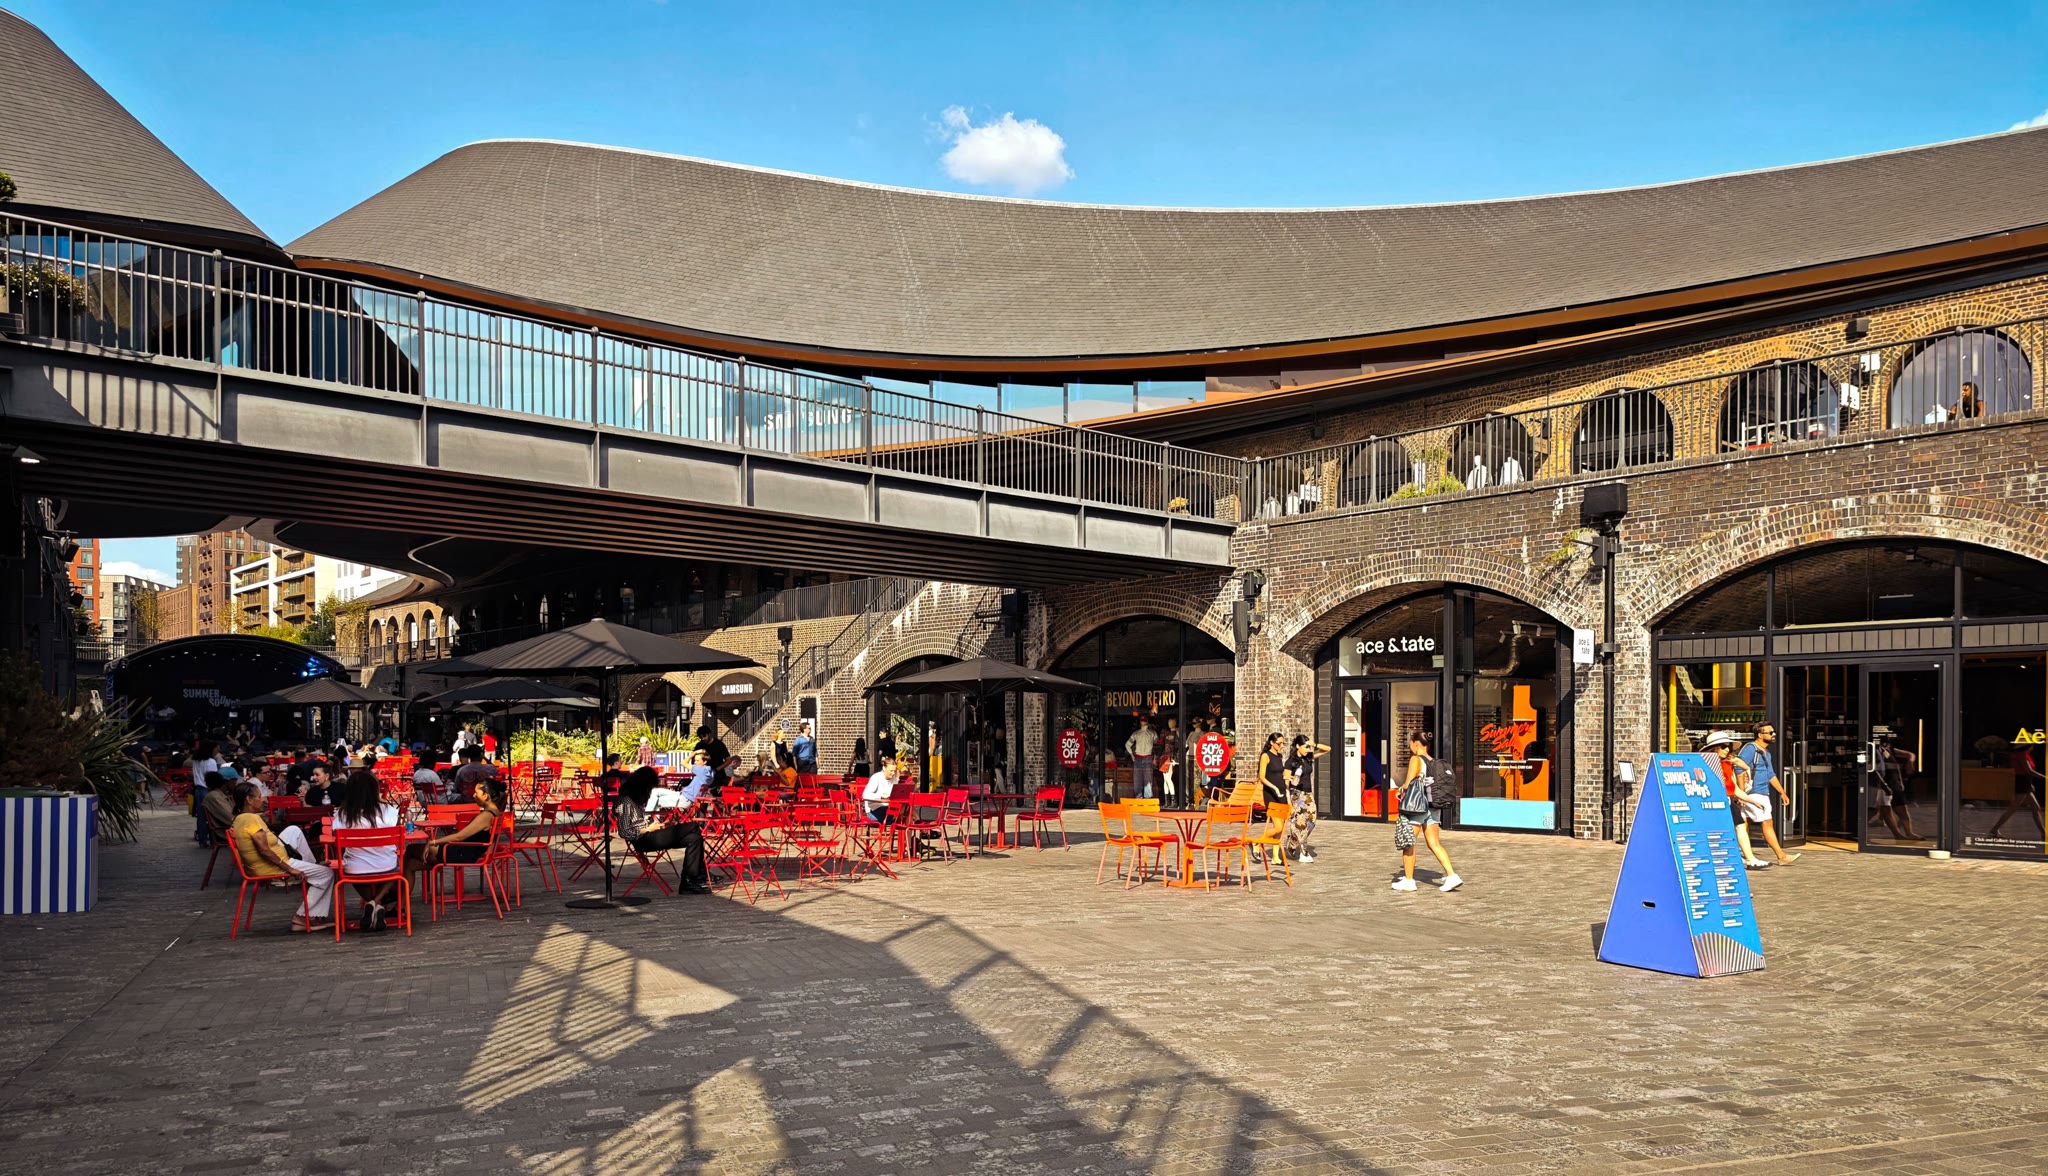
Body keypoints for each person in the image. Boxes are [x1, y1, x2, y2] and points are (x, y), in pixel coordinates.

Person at [225, 782, 335, 932]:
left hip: (269, 858)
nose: (263, 799)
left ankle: (313, 865)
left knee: (294, 830)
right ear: (249, 800)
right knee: (326, 874)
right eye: (259, 796)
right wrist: (289, 869)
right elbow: (264, 851)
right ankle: (301, 918)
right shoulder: (251, 819)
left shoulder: (239, 818)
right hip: (269, 865)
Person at [613, 766, 709, 894]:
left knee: (694, 838)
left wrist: (659, 826)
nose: (649, 793)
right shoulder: (625, 802)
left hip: (651, 834)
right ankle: (699, 876)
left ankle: (689, 882)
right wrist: (647, 829)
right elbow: (624, 832)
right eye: (649, 788)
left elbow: (640, 823)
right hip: (643, 840)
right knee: (693, 826)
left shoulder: (636, 801)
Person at [332, 768, 405, 929]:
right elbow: (397, 828)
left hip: (354, 867)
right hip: (387, 865)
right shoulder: (388, 810)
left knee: (352, 872)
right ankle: (376, 903)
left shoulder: (342, 814)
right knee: (398, 867)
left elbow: (334, 836)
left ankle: (372, 904)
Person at [1393, 730, 1462, 892]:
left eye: (1410, 743)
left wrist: (1399, 790)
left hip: (1417, 807)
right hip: (1433, 805)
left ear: (1416, 743)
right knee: (1434, 843)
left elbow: (1408, 783)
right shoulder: (1433, 761)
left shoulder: (1416, 759)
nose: (1410, 746)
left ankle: (1409, 881)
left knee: (1409, 843)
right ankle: (1452, 875)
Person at [1702, 730, 1770, 869]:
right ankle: (1739, 858)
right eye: (1723, 746)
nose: (1727, 749)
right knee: (1720, 831)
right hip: (1712, 804)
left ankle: (1749, 858)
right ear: (1714, 748)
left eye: (1729, 746)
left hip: (1728, 801)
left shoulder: (1727, 765)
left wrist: (1753, 801)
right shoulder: (1704, 765)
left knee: (1739, 826)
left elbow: (1735, 789)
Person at [1736, 723, 1799, 865]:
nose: (1774, 734)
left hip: (1761, 792)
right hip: (1753, 792)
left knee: (1744, 823)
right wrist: (1741, 793)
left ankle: (1743, 854)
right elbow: (1739, 769)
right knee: (1767, 822)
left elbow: (1770, 774)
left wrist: (1782, 792)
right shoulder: (1750, 749)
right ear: (1760, 735)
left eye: (1773, 732)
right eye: (1770, 732)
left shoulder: (1766, 753)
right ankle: (1781, 856)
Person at [1284, 735, 1328, 864]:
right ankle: (1304, 852)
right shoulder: (1290, 762)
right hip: (1296, 794)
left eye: (1308, 747)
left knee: (1312, 821)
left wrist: (1315, 745)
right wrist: (1289, 802)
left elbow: (1328, 749)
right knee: (1301, 823)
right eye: (1305, 746)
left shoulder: (1308, 758)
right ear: (1298, 746)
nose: (1307, 749)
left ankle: (1293, 841)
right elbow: (1286, 782)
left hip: (1308, 794)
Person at [190, 740, 221, 845]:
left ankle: (202, 839)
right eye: (217, 749)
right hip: (207, 789)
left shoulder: (196, 760)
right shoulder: (211, 761)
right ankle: (212, 839)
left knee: (201, 817)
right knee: (211, 815)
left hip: (198, 789)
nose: (217, 752)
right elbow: (212, 778)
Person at [1125, 716, 1160, 800]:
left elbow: (1157, 746)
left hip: (1145, 758)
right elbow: (1127, 744)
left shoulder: (1150, 733)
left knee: (1144, 780)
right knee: (1142, 780)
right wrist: (1132, 755)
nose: (1143, 722)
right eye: (1142, 720)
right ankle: (1142, 798)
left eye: (1143, 720)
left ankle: (1142, 798)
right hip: (1142, 758)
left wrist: (1132, 755)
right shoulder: (1148, 733)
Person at [1257, 732, 1287, 805]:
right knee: (1273, 811)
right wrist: (1274, 788)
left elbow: (1280, 773)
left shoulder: (1279, 756)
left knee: (1283, 811)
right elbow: (1262, 777)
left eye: (1283, 743)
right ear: (1272, 742)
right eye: (1279, 743)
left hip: (1281, 790)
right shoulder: (1266, 756)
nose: (1282, 746)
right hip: (1271, 792)